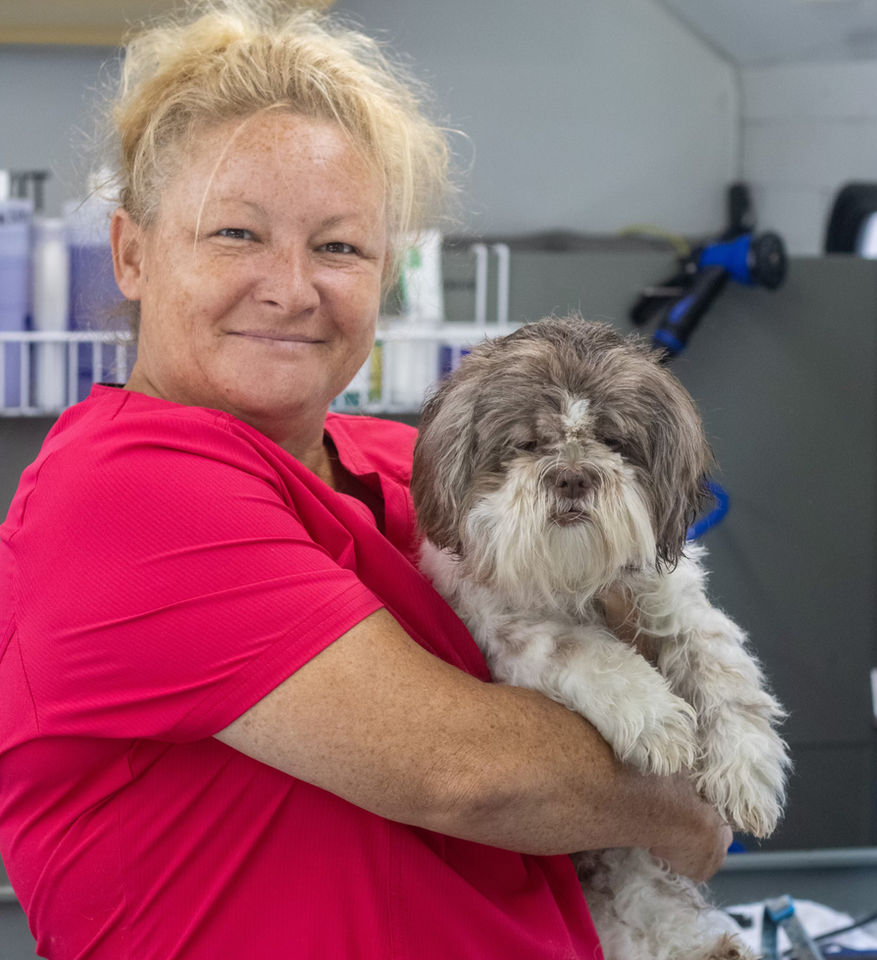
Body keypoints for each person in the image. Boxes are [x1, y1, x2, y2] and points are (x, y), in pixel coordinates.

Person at [0, 3, 731, 957]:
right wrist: (681, 806)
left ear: (386, 271)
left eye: (339, 246)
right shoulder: (126, 491)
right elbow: (469, 772)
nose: (292, 287)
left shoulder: (408, 464)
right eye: (235, 234)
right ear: (133, 253)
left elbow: (652, 625)